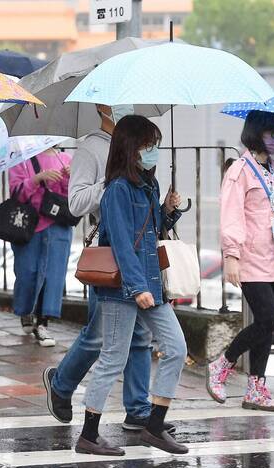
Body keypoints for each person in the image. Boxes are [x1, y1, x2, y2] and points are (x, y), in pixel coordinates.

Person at [42, 104, 174, 434]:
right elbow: (75, 203)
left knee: (138, 337)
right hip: (113, 259)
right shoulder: (91, 148)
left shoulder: (139, 146)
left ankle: (138, 409)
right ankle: (61, 383)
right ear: (102, 106)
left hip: (138, 255)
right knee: (102, 338)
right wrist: (116, 181)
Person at [76, 114, 187, 456]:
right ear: (130, 147)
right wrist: (137, 287)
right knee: (113, 357)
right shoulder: (117, 190)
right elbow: (122, 243)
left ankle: (155, 424)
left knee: (177, 347)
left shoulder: (148, 186)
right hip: (122, 287)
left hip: (150, 283)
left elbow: (153, 232)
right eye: (147, 145)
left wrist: (168, 211)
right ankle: (89, 435)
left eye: (155, 145)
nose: (152, 151)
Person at [208, 110, 274, 412]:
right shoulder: (239, 170)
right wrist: (231, 255)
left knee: (268, 326)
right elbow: (231, 215)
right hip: (250, 257)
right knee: (267, 319)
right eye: (271, 134)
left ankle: (257, 388)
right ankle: (223, 363)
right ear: (255, 134)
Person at [8, 146, 74, 346]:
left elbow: (75, 196)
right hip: (29, 226)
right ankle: (26, 310)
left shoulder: (66, 158)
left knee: (53, 276)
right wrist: (37, 179)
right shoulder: (22, 159)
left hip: (59, 225)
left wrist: (72, 178)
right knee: (27, 273)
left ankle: (43, 322)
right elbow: (15, 192)